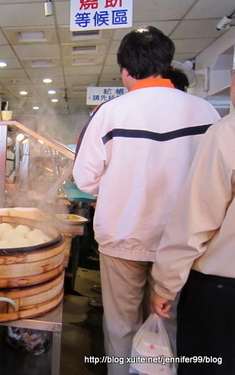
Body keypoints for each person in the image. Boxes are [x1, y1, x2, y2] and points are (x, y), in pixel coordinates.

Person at [72, 26, 220, 375]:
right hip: (183, 243)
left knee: (121, 325)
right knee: (168, 326)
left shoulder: (110, 113)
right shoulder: (205, 113)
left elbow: (85, 178)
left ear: (125, 69)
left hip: (123, 237)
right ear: (167, 63)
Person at [150, 69, 235, 374]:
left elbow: (197, 218)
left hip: (223, 290)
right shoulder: (209, 113)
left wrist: (165, 284)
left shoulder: (228, 132)